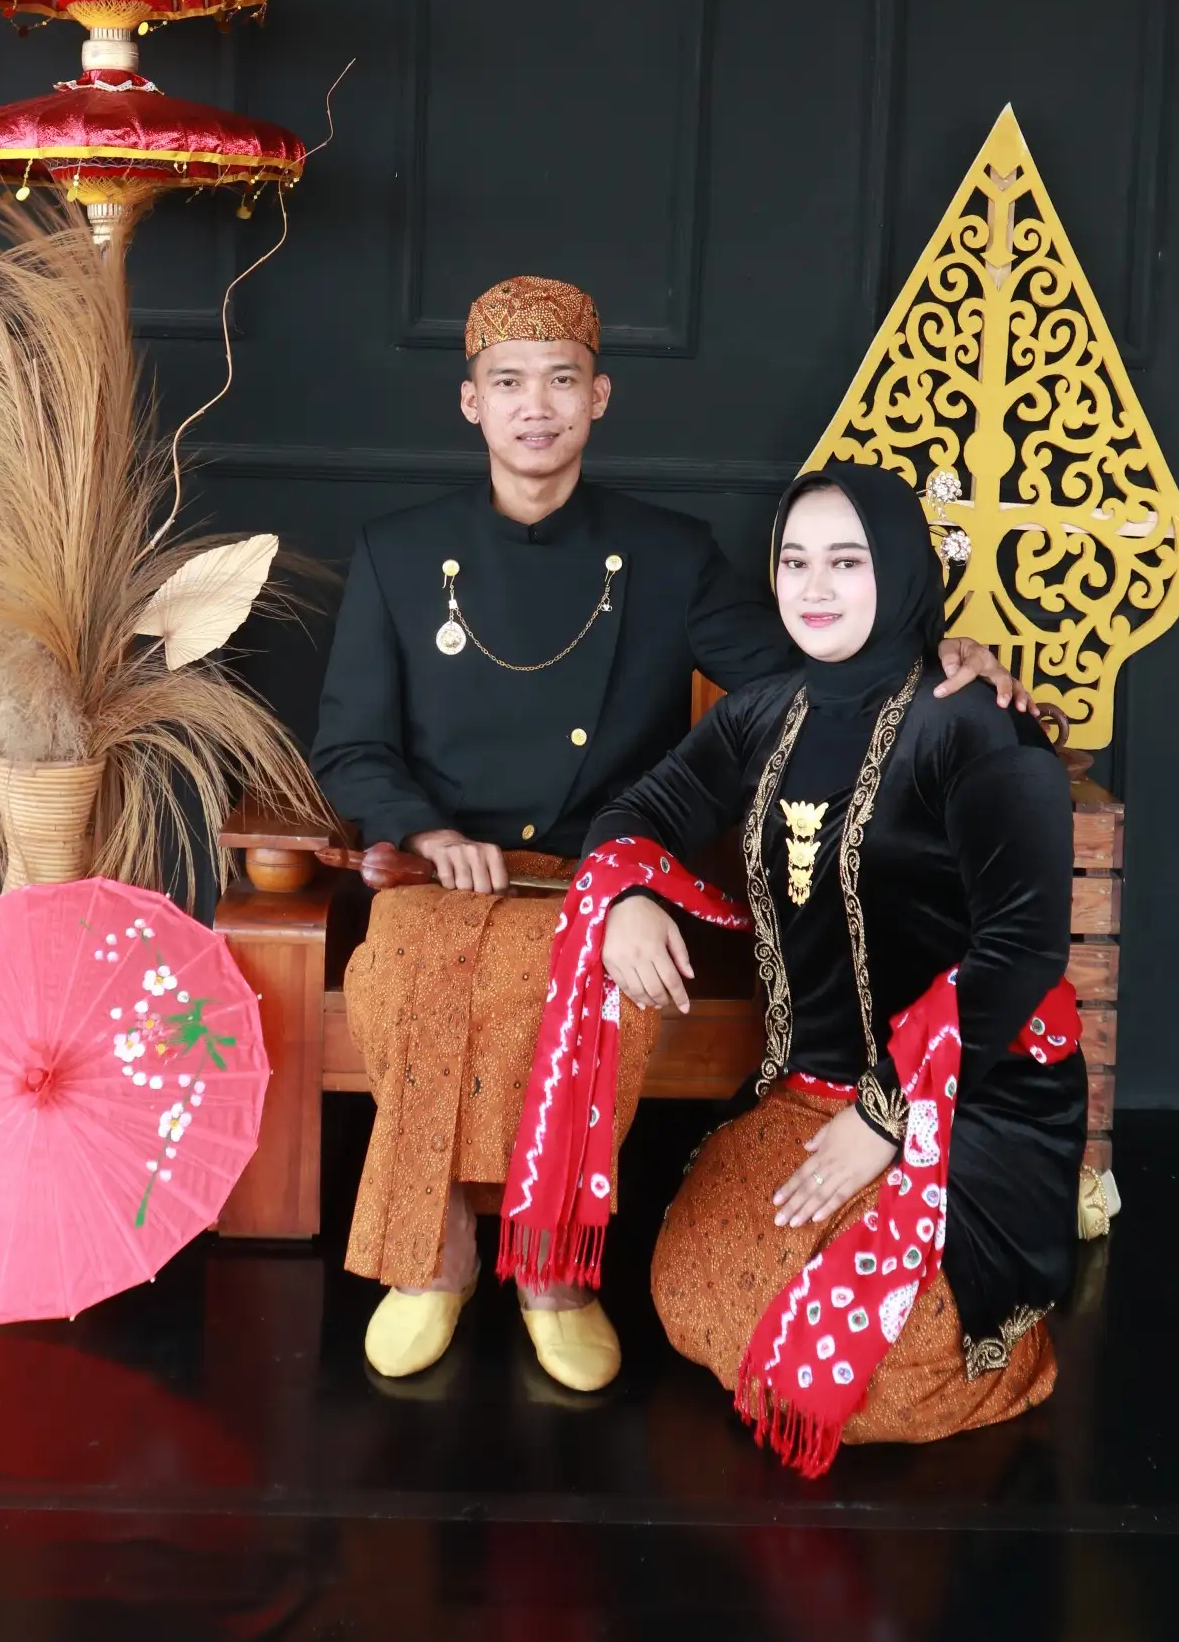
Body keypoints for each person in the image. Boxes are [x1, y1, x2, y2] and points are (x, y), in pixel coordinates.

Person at [312, 277, 1035, 1392]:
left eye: (562, 381)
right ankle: (433, 1263)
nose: (536, 405)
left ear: (599, 397)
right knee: (407, 973)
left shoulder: (666, 552)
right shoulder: (398, 553)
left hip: (610, 867)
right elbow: (350, 745)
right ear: (471, 402)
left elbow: (807, 668)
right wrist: (429, 828)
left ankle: (554, 1277)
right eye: (509, 382)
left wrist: (943, 652)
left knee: (575, 986)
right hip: (444, 867)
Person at [566, 462, 1091, 1469]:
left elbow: (1024, 946)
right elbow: (637, 812)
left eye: (847, 562)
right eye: (795, 561)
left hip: (967, 1098)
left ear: (900, 570)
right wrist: (625, 893)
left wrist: (888, 1116)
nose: (814, 586)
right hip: (805, 1088)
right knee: (691, 1287)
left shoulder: (979, 726)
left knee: (882, 1366)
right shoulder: (764, 712)